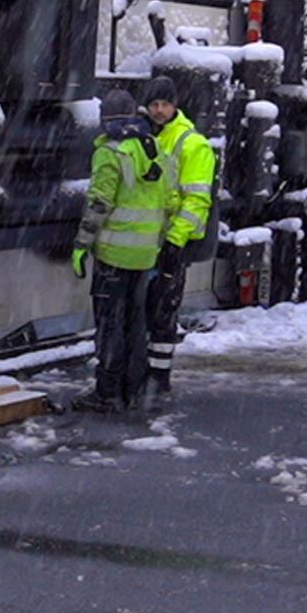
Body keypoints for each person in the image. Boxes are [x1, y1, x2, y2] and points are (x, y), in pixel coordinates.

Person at [70, 90, 170, 414]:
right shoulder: (153, 148)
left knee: (111, 324)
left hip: (114, 254)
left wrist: (82, 246)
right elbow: (167, 201)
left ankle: (107, 392)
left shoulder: (110, 153)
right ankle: (134, 390)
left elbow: (100, 203)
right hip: (145, 255)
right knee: (136, 321)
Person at [140, 77, 216, 400]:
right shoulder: (146, 136)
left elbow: (196, 201)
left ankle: (159, 377)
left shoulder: (191, 143)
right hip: (145, 242)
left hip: (171, 244)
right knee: (146, 311)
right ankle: (145, 374)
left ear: (175, 105)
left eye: (165, 104)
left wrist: (174, 242)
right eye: (154, 104)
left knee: (162, 312)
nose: (159, 110)